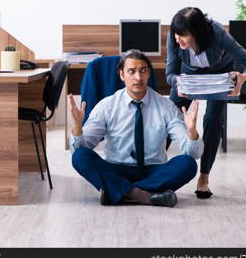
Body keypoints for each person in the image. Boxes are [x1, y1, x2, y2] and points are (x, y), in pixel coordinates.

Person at [69, 49, 204, 207]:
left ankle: (118, 192)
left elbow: (193, 153)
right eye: (131, 71)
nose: (138, 77)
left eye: (143, 71)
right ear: (121, 75)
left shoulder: (166, 106)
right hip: (117, 169)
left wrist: (192, 132)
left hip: (154, 170)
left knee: (188, 164)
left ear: (149, 74)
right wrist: (78, 127)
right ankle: (147, 196)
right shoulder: (107, 106)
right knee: (80, 157)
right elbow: (80, 149)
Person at [166, 7, 246, 199]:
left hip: (218, 78)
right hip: (188, 80)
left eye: (183, 35)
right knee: (167, 115)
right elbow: (170, 73)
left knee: (213, 120)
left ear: (197, 32)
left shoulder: (217, 34)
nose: (178, 39)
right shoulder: (174, 36)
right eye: (176, 34)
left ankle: (204, 178)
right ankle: (155, 168)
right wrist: (177, 82)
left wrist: (243, 77)